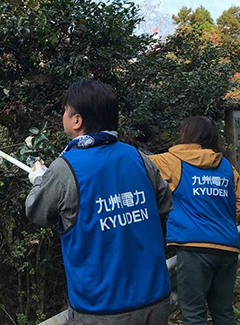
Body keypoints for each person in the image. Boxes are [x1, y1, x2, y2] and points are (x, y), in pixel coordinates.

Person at [25, 80, 173, 325]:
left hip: (101, 310)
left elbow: (37, 211)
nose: (63, 115)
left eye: (65, 110)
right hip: (154, 300)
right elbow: (164, 203)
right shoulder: (139, 158)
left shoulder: (66, 168)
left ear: (77, 121)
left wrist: (40, 179)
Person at [149, 116, 240, 325]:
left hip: (194, 249)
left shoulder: (173, 161)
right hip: (227, 247)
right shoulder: (226, 167)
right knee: (223, 312)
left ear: (187, 134)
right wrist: (220, 223)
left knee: (194, 315)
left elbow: (140, 164)